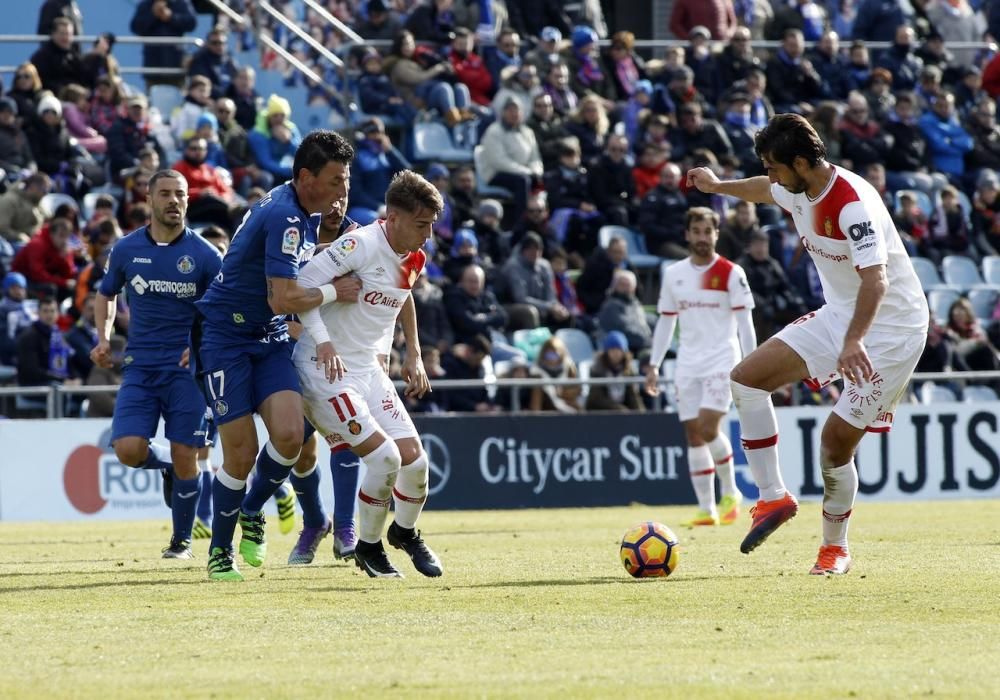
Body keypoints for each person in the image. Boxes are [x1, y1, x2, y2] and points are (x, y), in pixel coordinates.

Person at [686, 113, 928, 574]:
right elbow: (764, 189)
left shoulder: (852, 204)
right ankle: (773, 498)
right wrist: (718, 187)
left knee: (835, 445)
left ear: (801, 162)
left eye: (775, 167)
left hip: (893, 330)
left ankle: (835, 548)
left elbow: (875, 282)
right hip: (842, 315)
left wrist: (855, 341)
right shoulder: (796, 186)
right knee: (747, 380)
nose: (772, 176)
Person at [194, 130, 359, 582]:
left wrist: (346, 252)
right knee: (241, 454)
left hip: (266, 339)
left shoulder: (298, 207)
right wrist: (334, 289)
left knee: (291, 436)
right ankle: (219, 552)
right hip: (226, 339)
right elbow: (282, 298)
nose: (343, 191)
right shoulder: (288, 217)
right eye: (335, 181)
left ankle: (251, 510)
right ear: (306, 177)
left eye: (346, 180)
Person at [294, 170, 441, 579]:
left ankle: (405, 533)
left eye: (431, 225)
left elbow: (402, 296)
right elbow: (301, 284)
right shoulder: (358, 245)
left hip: (367, 366)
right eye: (421, 224)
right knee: (385, 458)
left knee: (416, 463)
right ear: (393, 218)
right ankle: (368, 548)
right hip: (325, 368)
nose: (428, 235)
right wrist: (321, 340)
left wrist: (411, 352)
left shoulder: (413, 256)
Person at [89, 169, 222, 559]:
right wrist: (102, 337)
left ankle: (180, 542)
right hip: (141, 367)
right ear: (150, 199)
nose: (174, 201)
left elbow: (222, 306)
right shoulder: (127, 249)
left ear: (187, 199)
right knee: (129, 449)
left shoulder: (204, 255)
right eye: (165, 193)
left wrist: (201, 346)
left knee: (189, 455)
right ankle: (163, 464)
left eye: (180, 194)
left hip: (186, 372)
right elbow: (107, 294)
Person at [646, 207, 756, 527]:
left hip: (723, 359)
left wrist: (751, 364)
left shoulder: (731, 273)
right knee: (694, 435)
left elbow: (745, 324)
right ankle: (707, 508)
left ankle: (732, 491)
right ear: (687, 235)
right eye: (696, 232)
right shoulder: (674, 274)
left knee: (709, 428)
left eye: (708, 232)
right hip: (687, 363)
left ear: (716, 235)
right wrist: (654, 364)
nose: (702, 238)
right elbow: (666, 323)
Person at [586, 331, 644, 412]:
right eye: (612, 349)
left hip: (623, 412)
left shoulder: (629, 371)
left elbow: (633, 395)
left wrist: (641, 414)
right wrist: (618, 409)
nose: (616, 353)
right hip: (599, 413)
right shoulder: (596, 369)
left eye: (619, 350)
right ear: (607, 351)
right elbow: (597, 398)